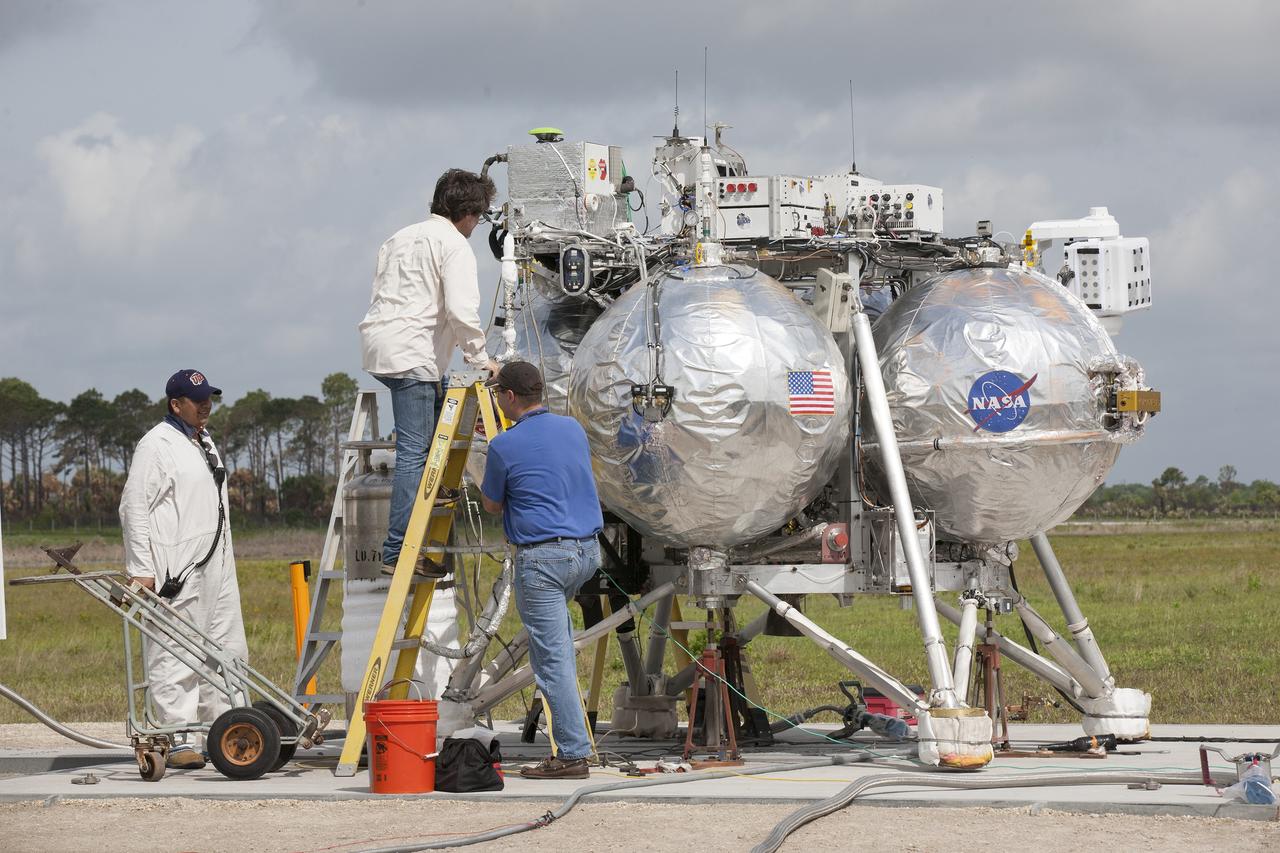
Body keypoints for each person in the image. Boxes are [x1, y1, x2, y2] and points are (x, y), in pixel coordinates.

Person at [359, 168, 500, 575]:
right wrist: (481, 359)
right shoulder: (454, 246)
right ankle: (398, 552)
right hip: (412, 355)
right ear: (469, 214)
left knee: (435, 413)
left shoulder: (399, 237)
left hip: (382, 346)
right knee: (415, 452)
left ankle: (435, 490)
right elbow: (460, 310)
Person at [480, 362, 604, 779]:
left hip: (544, 559)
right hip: (586, 553)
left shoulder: (503, 445)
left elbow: (493, 505)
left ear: (510, 397)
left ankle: (571, 754)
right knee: (559, 649)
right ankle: (573, 742)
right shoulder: (572, 429)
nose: (497, 400)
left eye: (499, 393)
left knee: (552, 662)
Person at [119, 369, 246, 770]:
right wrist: (142, 569)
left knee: (226, 650)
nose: (206, 405)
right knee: (175, 651)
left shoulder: (203, 439)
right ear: (176, 404)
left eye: (209, 398)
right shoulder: (156, 444)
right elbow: (133, 507)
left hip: (217, 563)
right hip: (177, 567)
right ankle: (177, 737)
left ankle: (224, 730)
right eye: (198, 400)